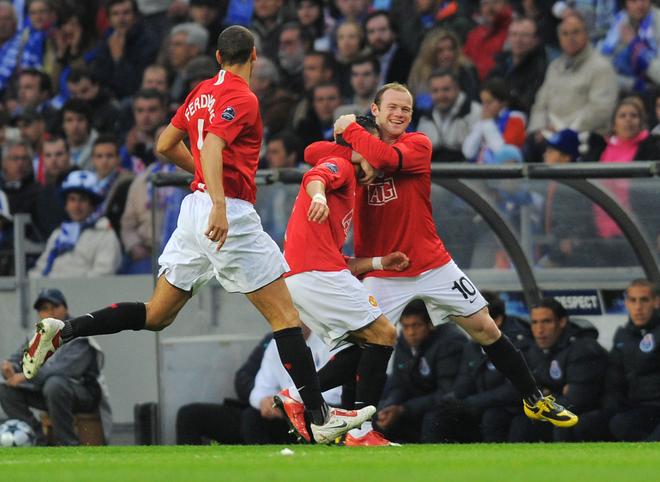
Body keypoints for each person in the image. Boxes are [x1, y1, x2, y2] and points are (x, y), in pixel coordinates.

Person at [22, 26, 374, 445]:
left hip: (194, 210)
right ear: (254, 55)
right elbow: (213, 148)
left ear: (218, 57)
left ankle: (66, 329)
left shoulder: (201, 91)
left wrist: (206, 182)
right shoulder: (244, 97)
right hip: (227, 213)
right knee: (286, 318)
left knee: (157, 314)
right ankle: (319, 417)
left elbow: (164, 143)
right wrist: (220, 203)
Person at [313, 81, 578, 428]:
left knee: (486, 328)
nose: (400, 114)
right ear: (375, 110)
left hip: (432, 263)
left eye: (406, 109)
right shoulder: (358, 151)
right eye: (392, 107)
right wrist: (350, 149)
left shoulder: (417, 144)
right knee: (365, 345)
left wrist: (350, 131)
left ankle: (534, 399)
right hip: (382, 270)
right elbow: (313, 153)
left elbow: (386, 159)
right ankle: (341, 420)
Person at [277, 115, 408, 446]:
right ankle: (361, 433)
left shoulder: (347, 178)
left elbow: (337, 257)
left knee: (360, 349)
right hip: (316, 274)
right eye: (371, 147)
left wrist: (380, 262)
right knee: (384, 333)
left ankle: (297, 396)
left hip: (307, 274)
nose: (378, 157)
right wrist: (319, 196)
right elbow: (315, 176)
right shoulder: (343, 167)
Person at [0, 289, 110, 446]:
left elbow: (63, 370)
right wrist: (9, 367)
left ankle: (68, 442)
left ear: (65, 308)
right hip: (49, 391)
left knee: (55, 384)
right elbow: (18, 359)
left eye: (54, 307)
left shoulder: (78, 331)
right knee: (5, 388)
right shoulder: (36, 335)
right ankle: (36, 439)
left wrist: (24, 376)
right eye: (44, 309)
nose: (49, 312)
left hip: (84, 394)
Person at [508, 298, 607, 442]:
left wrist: (547, 394)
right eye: (535, 322)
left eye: (546, 322)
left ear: (562, 322)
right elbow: (521, 390)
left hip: (594, 412)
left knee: (563, 421)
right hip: (560, 406)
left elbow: (577, 399)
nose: (540, 330)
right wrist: (555, 392)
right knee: (518, 421)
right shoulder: (534, 348)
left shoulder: (582, 349)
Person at [375, 299, 467, 443]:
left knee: (433, 418)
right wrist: (391, 406)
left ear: (430, 324)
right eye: (405, 326)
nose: (411, 332)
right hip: (418, 403)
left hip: (452, 404)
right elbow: (399, 383)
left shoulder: (450, 341)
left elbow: (446, 391)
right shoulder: (403, 342)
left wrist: (403, 409)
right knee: (379, 412)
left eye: (416, 325)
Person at [449, 292, 533, 442]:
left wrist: (472, 402)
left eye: (470, 318)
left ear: (497, 320)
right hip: (486, 404)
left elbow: (514, 390)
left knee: (493, 417)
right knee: (445, 413)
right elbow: (464, 381)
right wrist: (453, 400)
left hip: (517, 408)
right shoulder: (472, 345)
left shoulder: (517, 343)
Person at [245, 327, 342, 444]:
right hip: (287, 409)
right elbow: (260, 389)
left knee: (316, 413)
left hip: (319, 407)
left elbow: (337, 393)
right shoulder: (274, 345)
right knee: (252, 416)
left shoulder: (329, 340)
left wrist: (295, 399)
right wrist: (264, 401)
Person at [176, 333, 273, 445]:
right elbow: (243, 377)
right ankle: (191, 457)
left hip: (284, 417)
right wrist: (261, 399)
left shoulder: (289, 342)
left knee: (252, 418)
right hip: (255, 410)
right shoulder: (271, 340)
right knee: (189, 415)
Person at [29, 170, 122, 278]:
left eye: (82, 200)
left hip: (83, 288)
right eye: (72, 199)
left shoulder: (105, 235)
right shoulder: (59, 233)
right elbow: (40, 268)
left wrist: (69, 286)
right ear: (66, 205)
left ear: (93, 205)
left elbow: (103, 274)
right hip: (50, 287)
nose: (76, 206)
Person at [417, 68, 482, 163]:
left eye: (446, 89)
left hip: (467, 169)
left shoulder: (475, 112)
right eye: (435, 91)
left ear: (457, 89)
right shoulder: (425, 117)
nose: (440, 95)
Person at [600, 0, 660, 92]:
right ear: (625, 3)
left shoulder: (657, 21)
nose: (640, 5)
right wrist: (633, 84)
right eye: (634, 0)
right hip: (628, 87)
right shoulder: (620, 21)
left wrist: (635, 45)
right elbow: (602, 73)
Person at [462, 79, 526, 163]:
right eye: (483, 102)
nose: (485, 107)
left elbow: (503, 154)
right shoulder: (484, 121)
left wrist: (488, 123)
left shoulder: (516, 119)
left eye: (489, 102)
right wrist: (481, 124)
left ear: (503, 102)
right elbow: (468, 153)